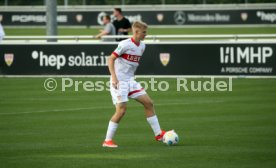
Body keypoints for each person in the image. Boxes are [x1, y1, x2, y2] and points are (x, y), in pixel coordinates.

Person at [102, 21, 166, 148]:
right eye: (144, 32)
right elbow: (111, 59)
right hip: (119, 81)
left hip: (131, 81)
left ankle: (158, 134)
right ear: (136, 32)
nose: (146, 34)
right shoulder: (124, 44)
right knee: (121, 111)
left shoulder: (142, 46)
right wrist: (114, 77)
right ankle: (107, 140)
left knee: (149, 103)